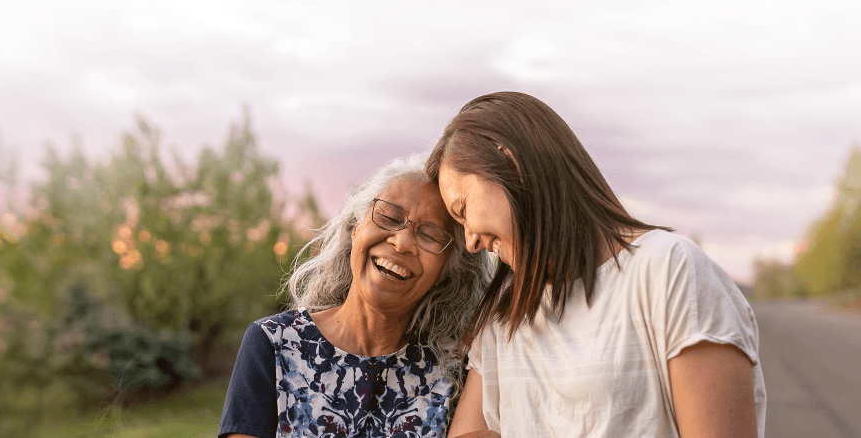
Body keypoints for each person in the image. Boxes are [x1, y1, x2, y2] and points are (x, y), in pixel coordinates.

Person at [429, 92, 766, 438]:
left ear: (511, 164)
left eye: (463, 210)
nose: (470, 241)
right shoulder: (504, 314)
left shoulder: (669, 271)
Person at [219, 154, 490, 438]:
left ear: (446, 269)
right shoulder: (274, 343)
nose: (402, 242)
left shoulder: (458, 371)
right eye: (389, 217)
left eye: (430, 236)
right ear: (356, 227)